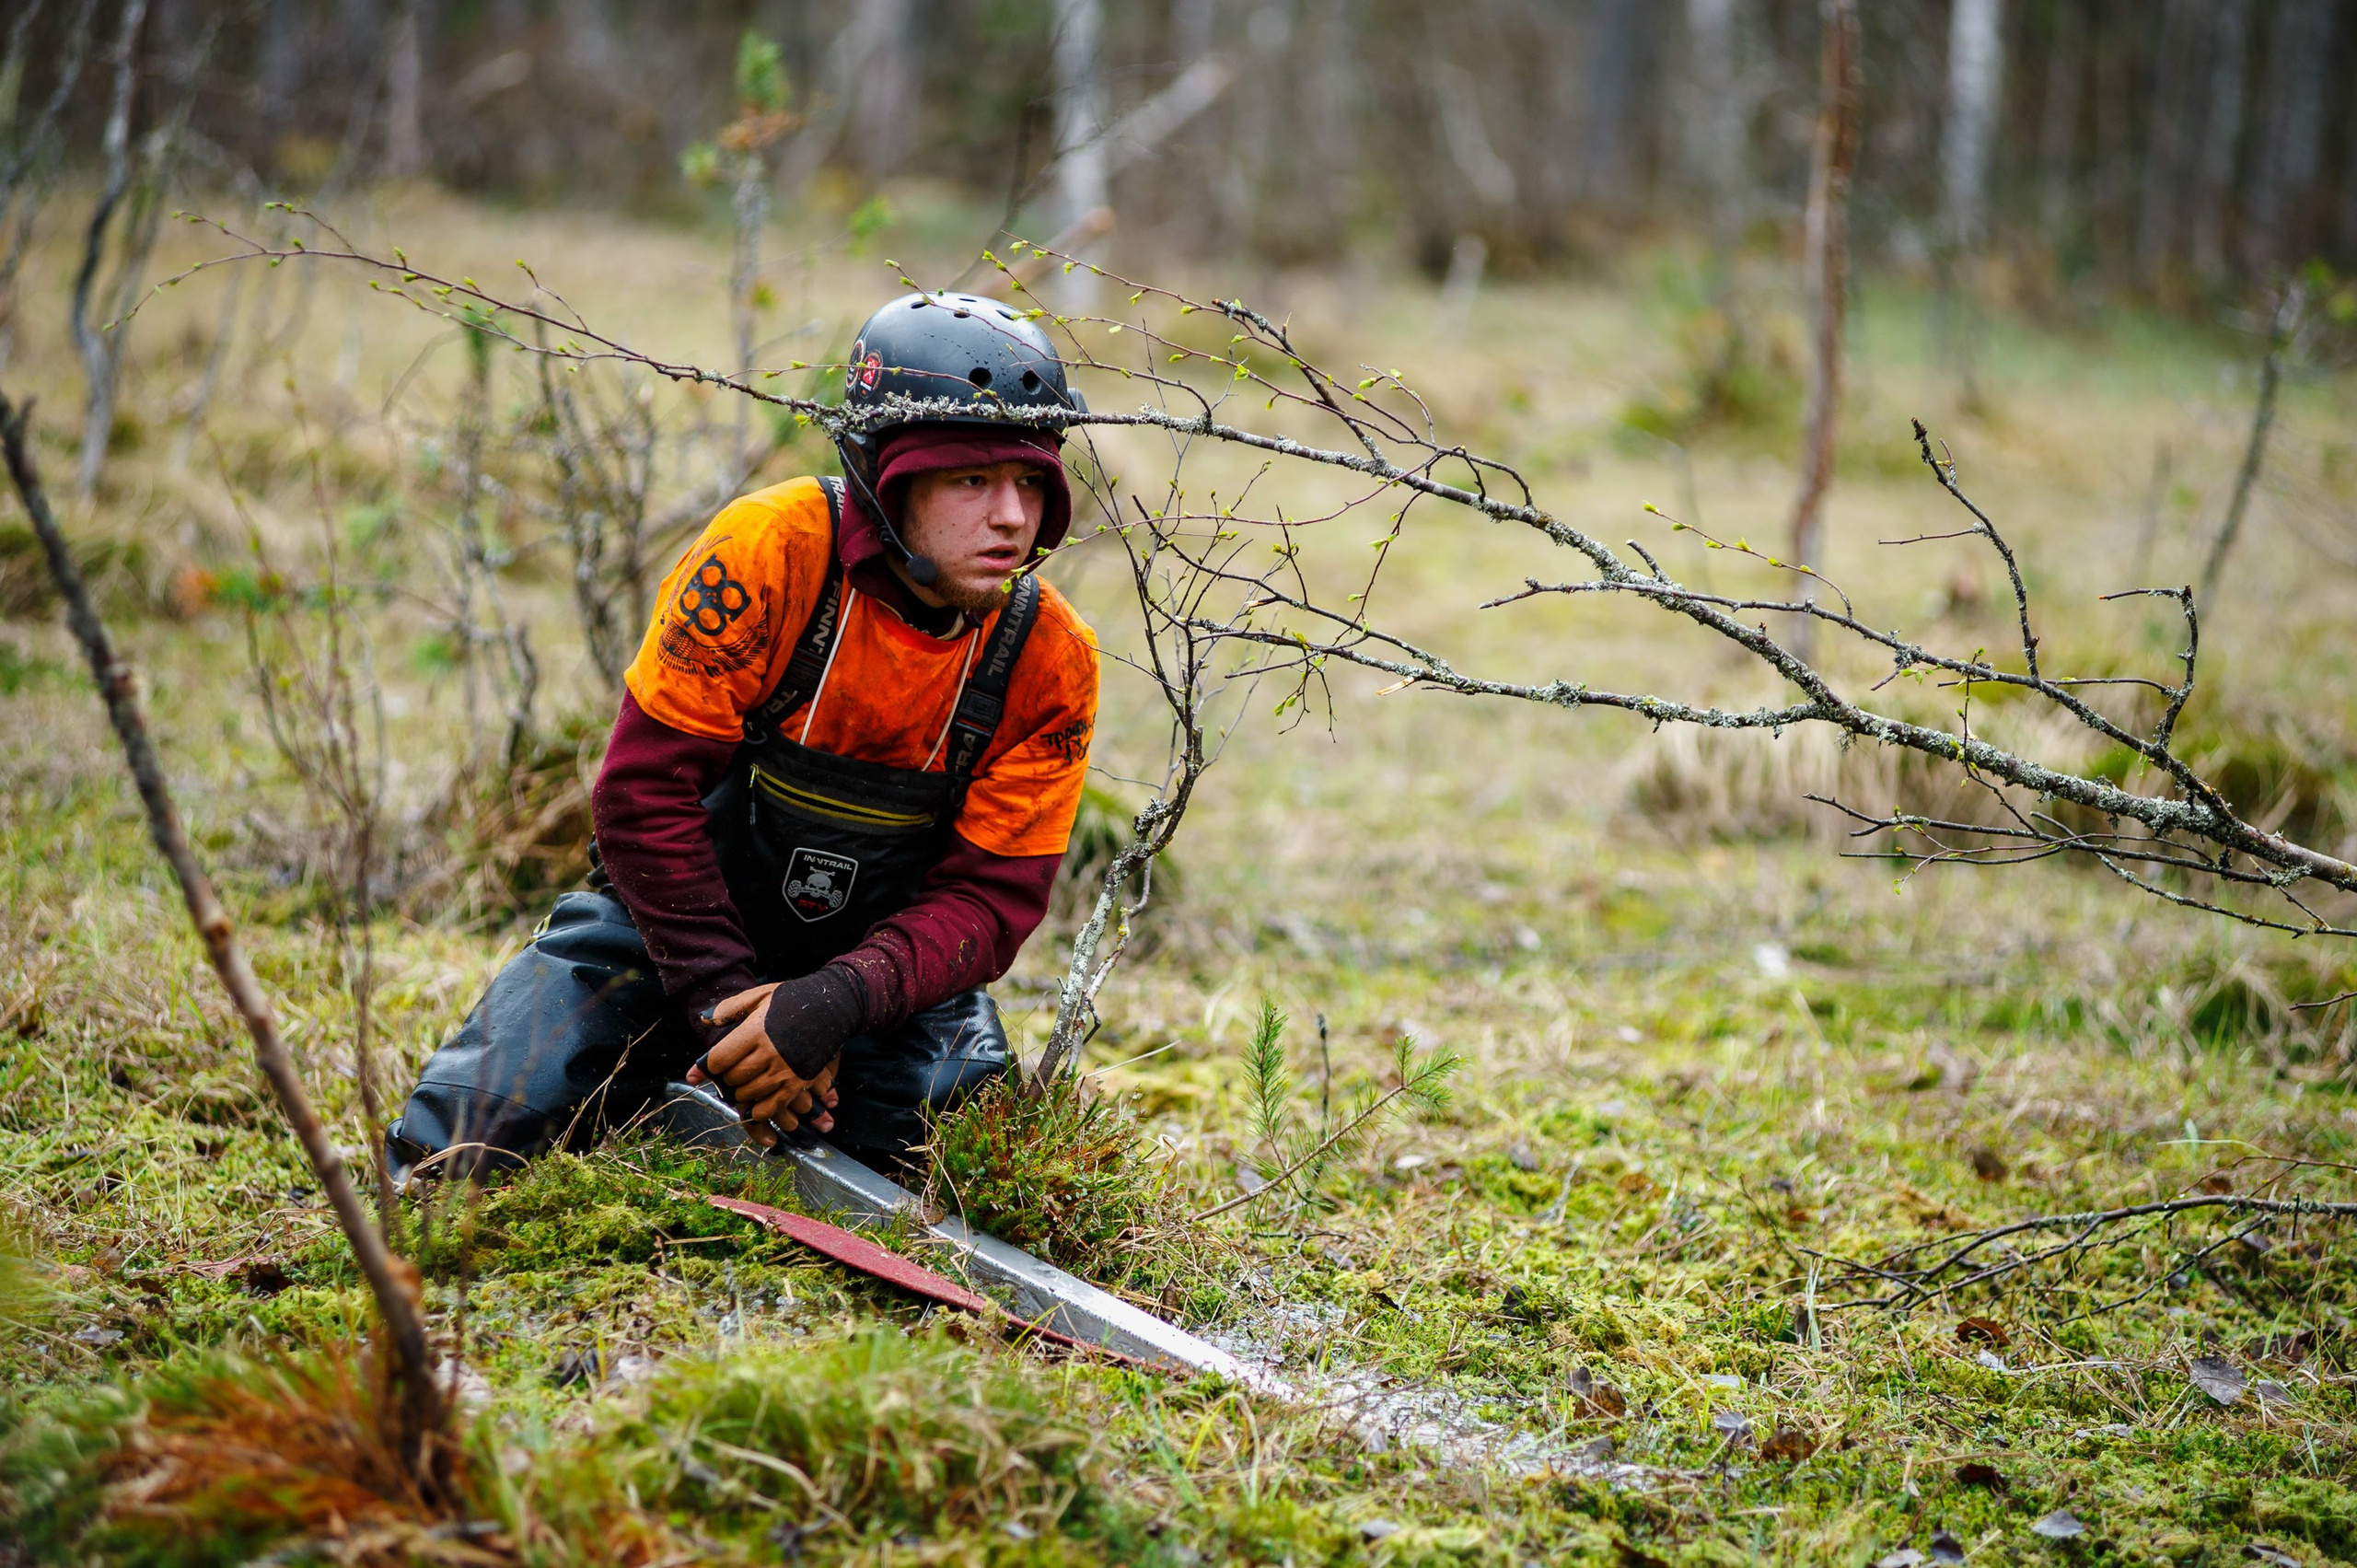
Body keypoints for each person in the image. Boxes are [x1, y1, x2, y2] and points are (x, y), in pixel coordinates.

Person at [385, 293, 1097, 1178]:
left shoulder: (1052, 656)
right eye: (971, 481)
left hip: (877, 986)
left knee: (961, 1141)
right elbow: (642, 796)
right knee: (469, 1133)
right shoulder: (767, 552)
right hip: (669, 938)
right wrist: (731, 1013)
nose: (1012, 517)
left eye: (1030, 481)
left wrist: (827, 1007)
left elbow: (988, 901)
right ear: (886, 475)